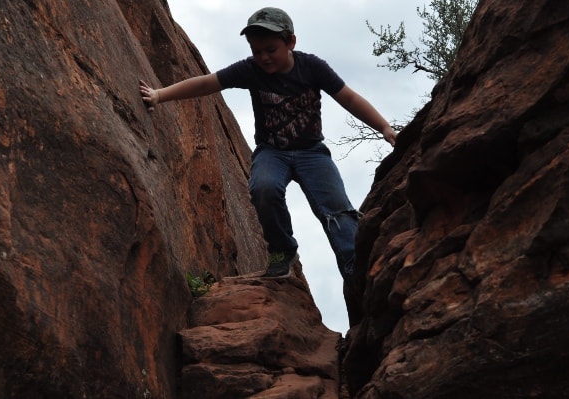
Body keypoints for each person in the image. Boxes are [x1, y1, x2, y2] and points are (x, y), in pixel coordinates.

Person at [139, 7, 396, 286]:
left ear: (291, 43)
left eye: (271, 49)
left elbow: (349, 99)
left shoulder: (312, 68)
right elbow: (205, 84)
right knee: (263, 187)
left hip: (312, 152)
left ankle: (355, 267)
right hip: (272, 152)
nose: (263, 57)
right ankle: (281, 250)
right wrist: (160, 95)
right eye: (256, 50)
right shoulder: (250, 70)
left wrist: (384, 128)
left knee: (336, 209)